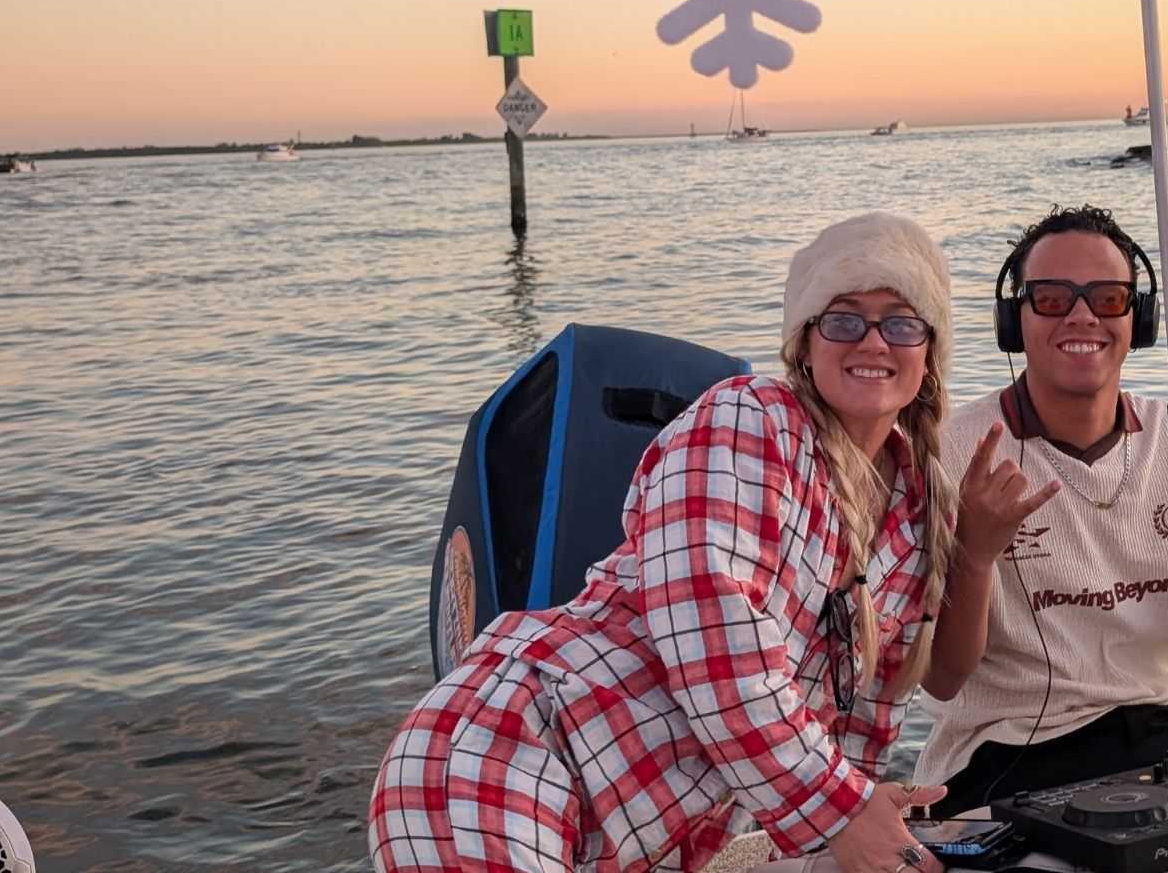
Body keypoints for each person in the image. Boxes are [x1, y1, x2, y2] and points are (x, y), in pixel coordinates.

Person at [369, 212, 1009, 873]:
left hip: (635, 842)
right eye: (843, 318)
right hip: (508, 760)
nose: (873, 342)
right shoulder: (747, 421)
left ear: (929, 351)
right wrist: (840, 810)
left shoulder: (915, 513)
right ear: (804, 343)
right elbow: (714, 635)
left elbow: (864, 721)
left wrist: (861, 817)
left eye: (901, 322)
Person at [914, 204, 1168, 816]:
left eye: (1108, 296)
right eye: (1050, 298)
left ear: (1138, 317)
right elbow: (940, 678)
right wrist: (975, 555)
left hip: (1155, 730)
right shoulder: (953, 450)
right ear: (1013, 321)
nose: (1081, 315)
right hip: (1004, 746)